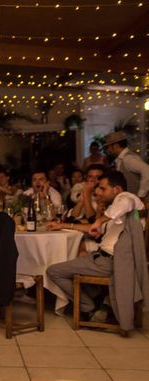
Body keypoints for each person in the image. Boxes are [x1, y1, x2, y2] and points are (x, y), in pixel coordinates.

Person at [47, 171, 145, 322]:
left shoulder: (127, 198)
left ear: (117, 189)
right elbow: (92, 228)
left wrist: (100, 220)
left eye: (103, 188)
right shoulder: (117, 212)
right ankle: (101, 305)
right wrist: (60, 225)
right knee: (77, 256)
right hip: (103, 258)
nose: (99, 192)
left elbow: (125, 203)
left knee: (54, 271)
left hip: (111, 262)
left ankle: (88, 308)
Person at [104, 131, 149, 202]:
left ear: (115, 146)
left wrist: (141, 195)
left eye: (108, 147)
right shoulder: (122, 158)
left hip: (136, 203)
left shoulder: (128, 159)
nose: (108, 150)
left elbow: (147, 170)